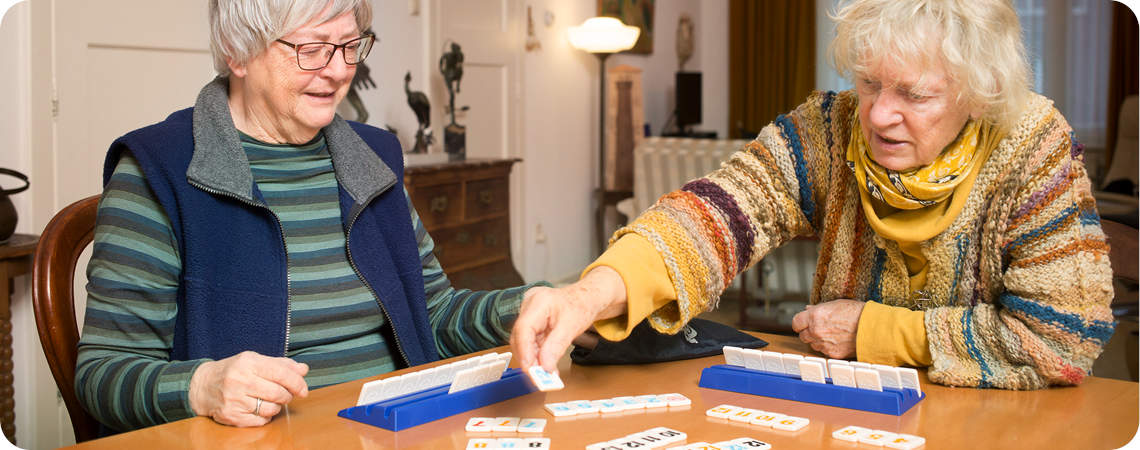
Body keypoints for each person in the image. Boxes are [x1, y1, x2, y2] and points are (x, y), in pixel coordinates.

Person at [512, 0, 1114, 390]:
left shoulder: (1034, 146)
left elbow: (1058, 337)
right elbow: (713, 214)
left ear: (979, 93)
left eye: (915, 95)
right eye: (870, 81)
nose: (879, 114)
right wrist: (587, 296)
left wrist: (874, 334)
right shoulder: (829, 128)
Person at [76, 0, 546, 432]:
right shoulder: (159, 168)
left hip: (403, 430)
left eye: (350, 45)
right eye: (313, 49)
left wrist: (531, 308)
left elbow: (433, 316)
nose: (341, 71)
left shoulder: (371, 158)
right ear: (237, 52)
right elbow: (104, 371)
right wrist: (202, 386)